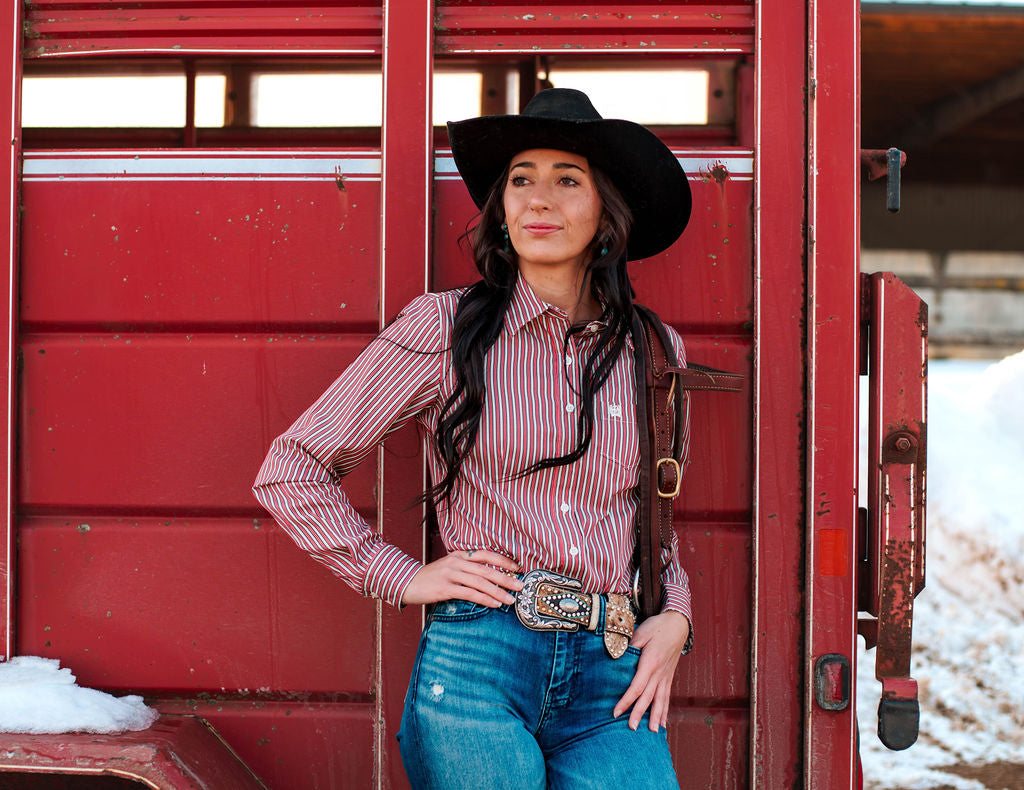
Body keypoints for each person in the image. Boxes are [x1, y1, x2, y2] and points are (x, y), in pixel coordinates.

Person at [253, 88, 695, 789]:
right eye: (520, 180)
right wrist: (400, 576)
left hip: (612, 672)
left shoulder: (653, 347)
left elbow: (653, 519)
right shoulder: (445, 329)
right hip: (479, 665)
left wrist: (675, 617)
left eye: (566, 180)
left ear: (609, 213)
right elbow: (291, 468)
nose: (536, 200)